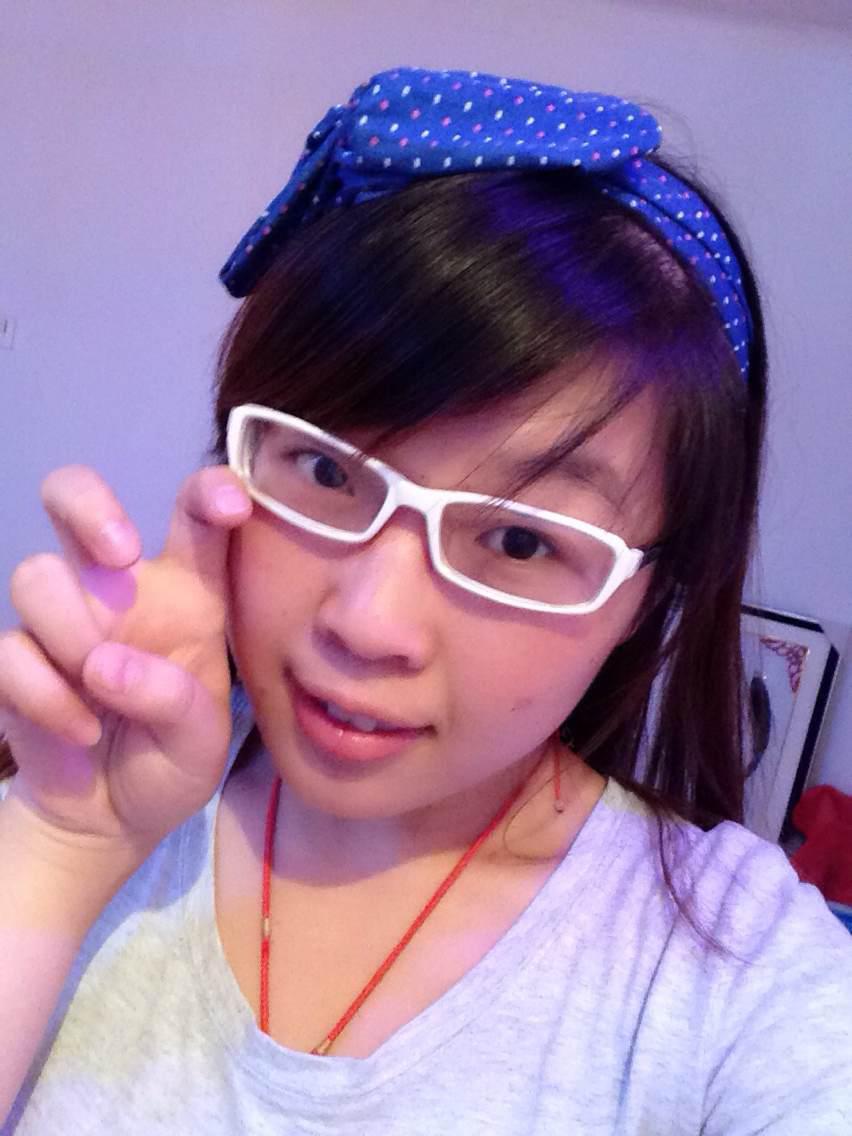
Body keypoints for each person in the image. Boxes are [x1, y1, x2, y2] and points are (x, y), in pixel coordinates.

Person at [0, 66, 850, 1135]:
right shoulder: (81, 788)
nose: (369, 622)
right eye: (326, 470)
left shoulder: (736, 975)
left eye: (522, 540)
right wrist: (62, 843)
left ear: (649, 593)